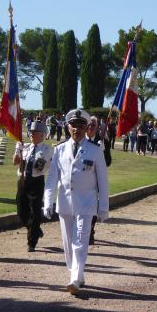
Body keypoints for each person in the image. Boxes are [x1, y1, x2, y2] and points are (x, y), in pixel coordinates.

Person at [43, 109, 109, 295]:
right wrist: (47, 202)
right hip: (65, 203)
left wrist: (103, 207)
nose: (77, 130)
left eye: (81, 126)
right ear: (67, 126)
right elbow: (52, 179)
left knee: (80, 241)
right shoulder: (59, 150)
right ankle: (77, 274)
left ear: (87, 127)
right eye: (73, 126)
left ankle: (74, 279)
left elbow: (103, 180)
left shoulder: (95, 150)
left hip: (87, 203)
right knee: (68, 244)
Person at [13, 121, 53, 252]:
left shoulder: (46, 150)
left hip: (36, 182)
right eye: (31, 132)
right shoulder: (26, 147)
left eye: (35, 133)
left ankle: (32, 242)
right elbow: (15, 162)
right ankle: (35, 229)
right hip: (22, 181)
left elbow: (38, 168)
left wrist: (25, 156)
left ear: (42, 135)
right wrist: (17, 151)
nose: (31, 134)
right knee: (21, 211)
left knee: (35, 212)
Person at [86, 116, 112, 245]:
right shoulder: (79, 140)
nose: (90, 128)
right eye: (89, 125)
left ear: (97, 128)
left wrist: (103, 151)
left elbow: (108, 162)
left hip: (95, 181)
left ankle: (90, 231)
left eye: (93, 126)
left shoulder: (102, 141)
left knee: (92, 207)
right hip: (81, 181)